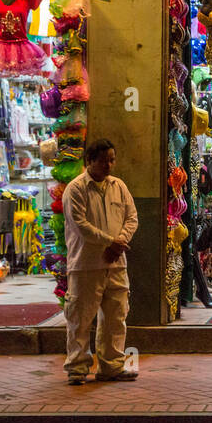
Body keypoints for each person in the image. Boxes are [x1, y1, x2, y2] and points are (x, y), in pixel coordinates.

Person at [62, 138, 139, 385]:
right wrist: (111, 242)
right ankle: (77, 368)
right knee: (80, 319)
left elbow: (132, 218)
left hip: (116, 264)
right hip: (85, 265)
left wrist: (119, 243)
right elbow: (80, 225)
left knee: (116, 318)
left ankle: (112, 366)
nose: (109, 165)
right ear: (89, 161)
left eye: (112, 160)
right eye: (104, 160)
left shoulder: (119, 186)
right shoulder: (75, 189)